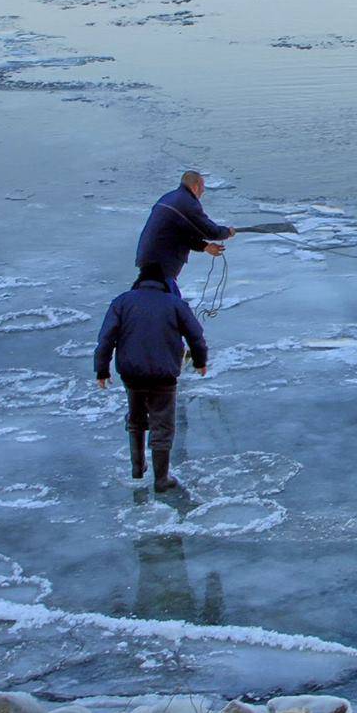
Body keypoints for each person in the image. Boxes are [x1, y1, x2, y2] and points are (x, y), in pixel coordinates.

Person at [94, 264, 209, 492]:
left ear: (140, 281)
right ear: (165, 284)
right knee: (162, 425)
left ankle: (137, 468)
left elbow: (106, 338)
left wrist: (102, 370)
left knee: (136, 418)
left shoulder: (122, 302)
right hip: (163, 375)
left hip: (132, 373)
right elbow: (196, 335)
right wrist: (199, 361)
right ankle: (161, 478)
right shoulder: (175, 304)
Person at [135, 170, 233, 290]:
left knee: (149, 293)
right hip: (161, 261)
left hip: (150, 256)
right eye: (202, 186)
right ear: (196, 186)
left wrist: (204, 246)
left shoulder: (170, 197)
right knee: (164, 299)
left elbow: (178, 233)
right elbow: (209, 231)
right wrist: (227, 232)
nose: (203, 190)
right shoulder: (186, 202)